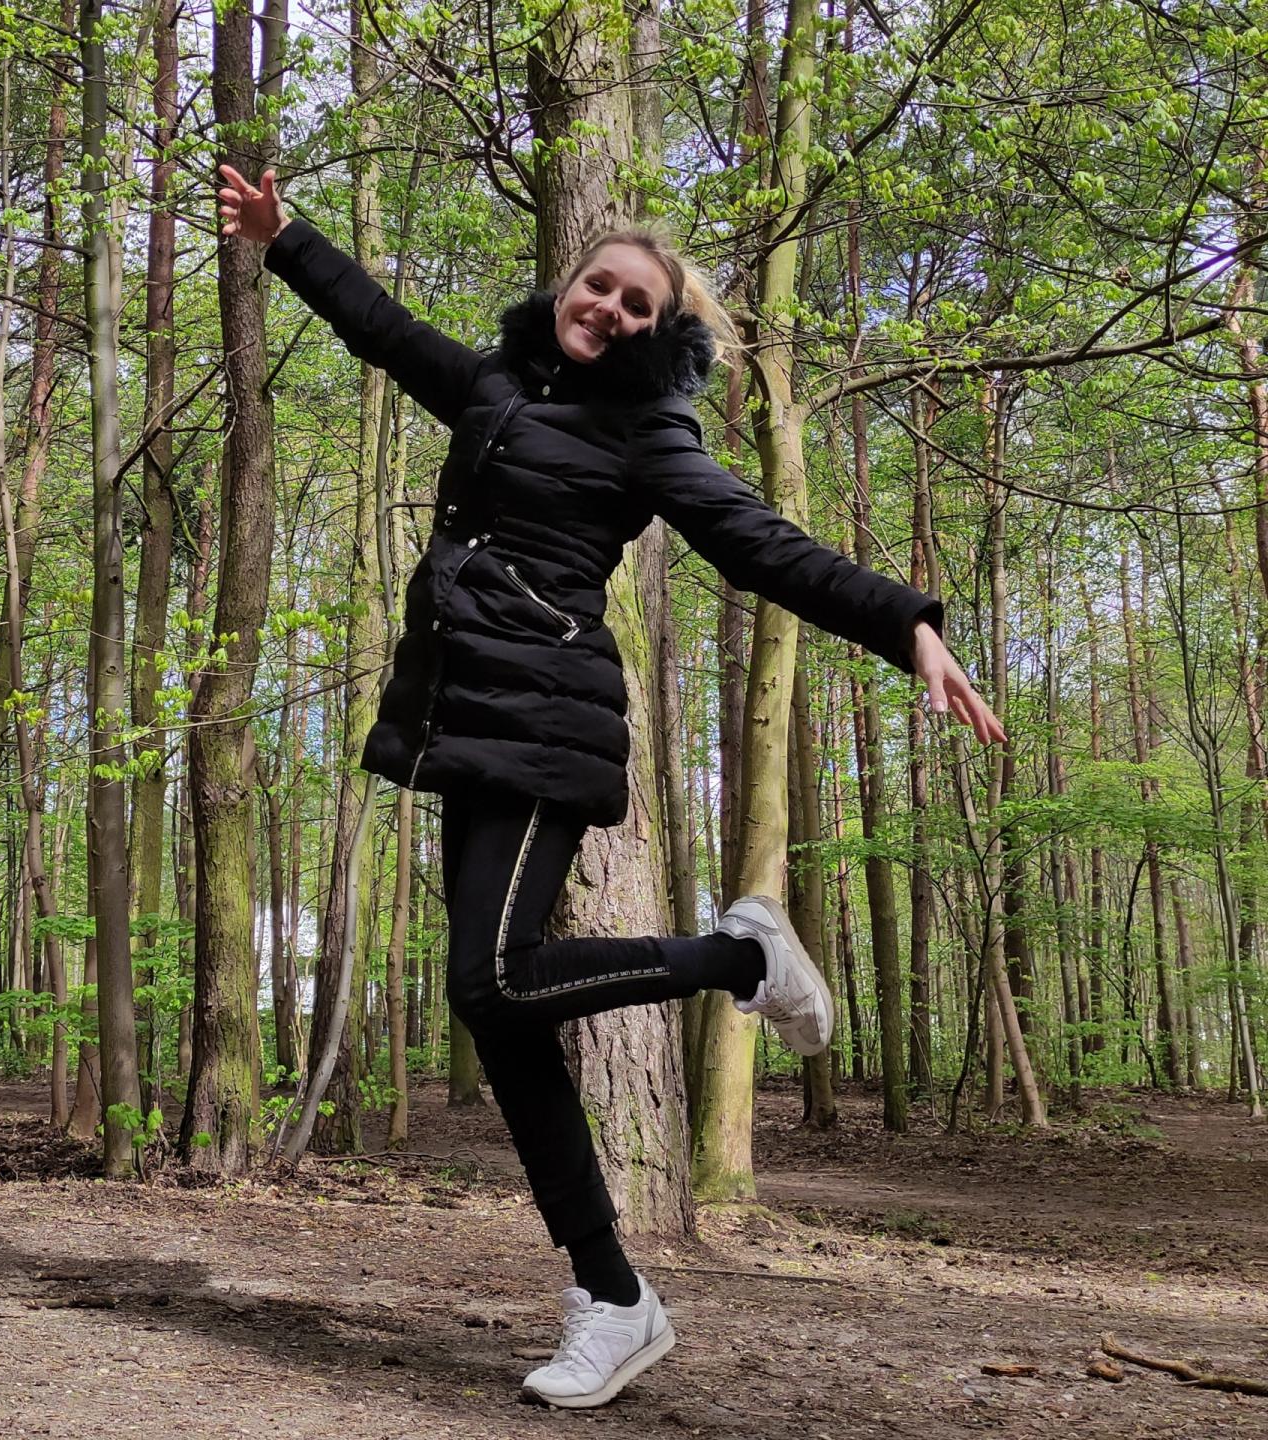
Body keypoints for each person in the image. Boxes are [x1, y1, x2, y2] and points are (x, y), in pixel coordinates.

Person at [218, 164, 1005, 1409]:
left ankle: (741, 959)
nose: (610, 310)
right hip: (464, 721)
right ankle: (613, 1296)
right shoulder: (495, 385)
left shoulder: (648, 433)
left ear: (656, 331)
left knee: (496, 978)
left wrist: (903, 620)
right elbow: (384, 328)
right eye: (600, 286)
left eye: (639, 306)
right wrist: (285, 238)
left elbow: (758, 542)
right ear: (566, 286)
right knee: (502, 1016)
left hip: (545, 719)